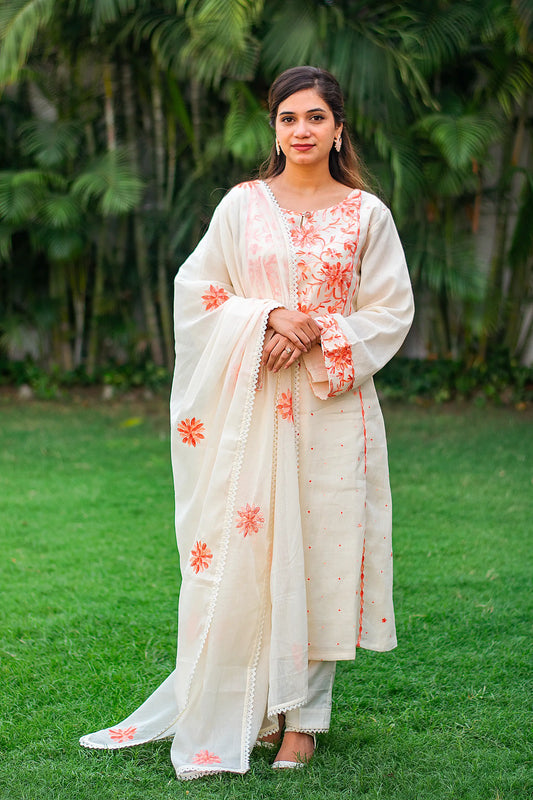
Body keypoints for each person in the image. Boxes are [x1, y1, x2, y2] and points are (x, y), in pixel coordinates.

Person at [80, 65, 414, 780]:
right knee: (254, 556)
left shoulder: (366, 215)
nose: (301, 130)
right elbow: (197, 290)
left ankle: (305, 721)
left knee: (322, 556)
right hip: (251, 408)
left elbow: (389, 311)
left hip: (331, 410)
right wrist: (267, 316)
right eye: (288, 118)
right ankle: (259, 709)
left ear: (338, 128)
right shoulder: (241, 206)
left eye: (315, 118)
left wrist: (311, 333)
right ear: (275, 128)